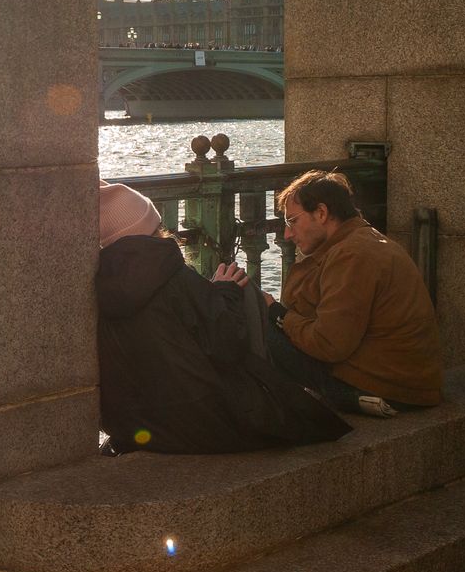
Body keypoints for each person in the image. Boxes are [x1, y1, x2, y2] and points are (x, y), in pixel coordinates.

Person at [95, 181, 350, 455]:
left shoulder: (100, 287)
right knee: (248, 295)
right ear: (152, 230)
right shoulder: (175, 277)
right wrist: (224, 293)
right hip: (202, 426)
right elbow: (227, 346)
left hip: (136, 428)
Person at [261, 170, 443, 417]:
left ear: (322, 213)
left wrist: (277, 314)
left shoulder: (351, 255)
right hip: (406, 383)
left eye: (292, 221)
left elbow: (329, 344)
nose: (287, 234)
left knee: (255, 322)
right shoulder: (361, 241)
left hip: (390, 390)